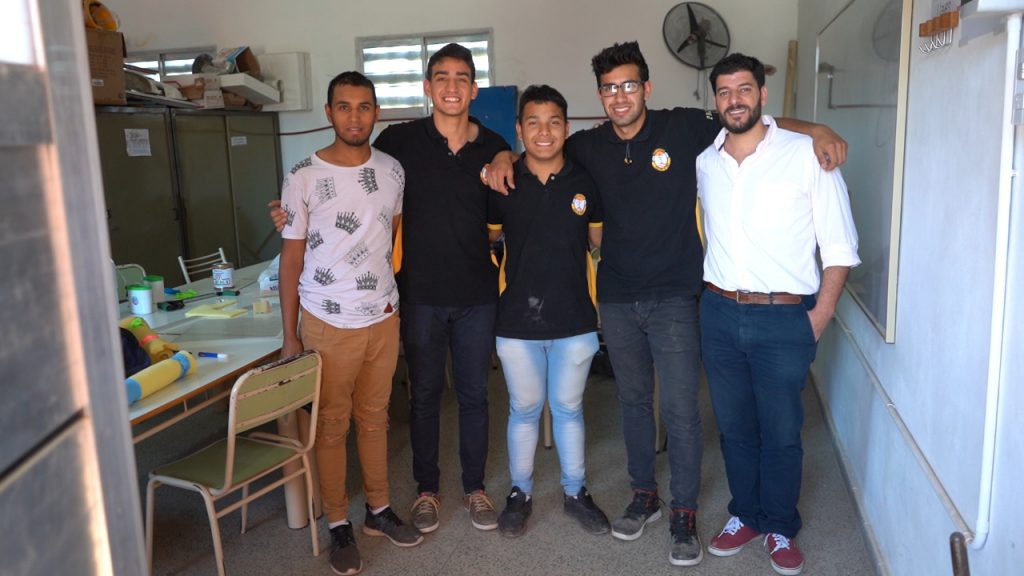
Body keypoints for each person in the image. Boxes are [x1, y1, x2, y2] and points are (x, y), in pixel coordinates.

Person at [484, 41, 848, 568]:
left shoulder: (684, 127)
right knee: (633, 403)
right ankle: (644, 496)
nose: (620, 96)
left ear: (646, 88)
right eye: (609, 88)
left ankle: (684, 511)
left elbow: (746, 118)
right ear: (600, 95)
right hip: (617, 297)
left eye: (629, 85)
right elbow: (538, 149)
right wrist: (501, 154)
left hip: (677, 296)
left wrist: (814, 129)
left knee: (680, 409)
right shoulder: (586, 145)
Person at [273, 43, 510, 534]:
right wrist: (287, 213)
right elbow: (351, 183)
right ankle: (426, 491)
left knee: (474, 396)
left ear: (474, 89)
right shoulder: (398, 144)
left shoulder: (494, 145)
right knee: (423, 396)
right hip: (417, 295)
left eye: (461, 78)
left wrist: (509, 153)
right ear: (427, 87)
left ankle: (474, 488)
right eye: (441, 77)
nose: (451, 87)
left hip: (476, 295)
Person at [697, 53, 860, 576]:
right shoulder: (706, 161)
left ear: (762, 95)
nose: (735, 100)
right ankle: (745, 514)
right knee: (734, 427)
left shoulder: (805, 154)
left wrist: (819, 317)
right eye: (725, 91)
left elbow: (839, 246)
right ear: (716, 100)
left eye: (744, 89)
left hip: (784, 319)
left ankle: (781, 525)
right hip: (719, 312)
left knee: (782, 430)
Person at [279, 71, 423, 576]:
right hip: (326, 322)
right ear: (329, 113)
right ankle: (338, 521)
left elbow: (390, 239)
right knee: (332, 426)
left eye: (364, 107)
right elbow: (291, 260)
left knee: (376, 418)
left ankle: (378, 510)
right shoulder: (303, 176)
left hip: (382, 316)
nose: (355, 116)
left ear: (376, 112)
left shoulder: (392, 171)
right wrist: (289, 334)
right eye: (344, 106)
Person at [486, 85, 608, 538]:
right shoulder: (502, 182)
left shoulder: (584, 182)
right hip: (516, 321)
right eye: (533, 122)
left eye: (554, 122)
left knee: (569, 408)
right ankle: (520, 493)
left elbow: (598, 242)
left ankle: (576, 492)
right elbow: (490, 239)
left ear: (567, 128)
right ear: (519, 130)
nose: (544, 131)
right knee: (524, 408)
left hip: (575, 319)